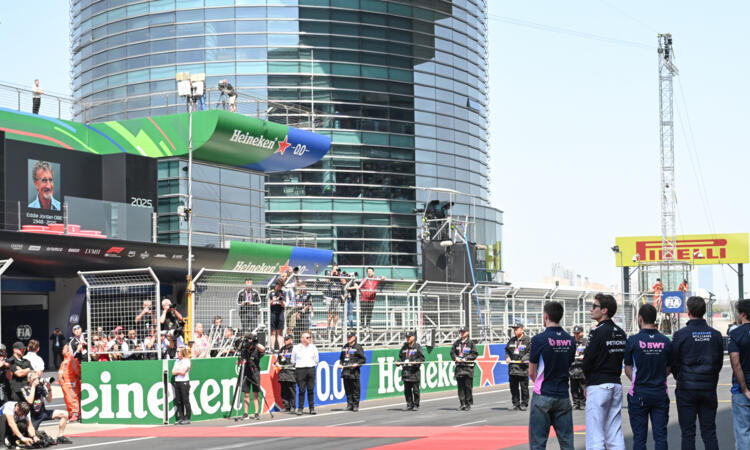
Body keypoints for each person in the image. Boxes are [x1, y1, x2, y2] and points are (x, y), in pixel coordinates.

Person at [670, 296, 724, 450]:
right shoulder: (715, 335)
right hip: (708, 388)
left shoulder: (681, 334)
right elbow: (719, 362)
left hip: (686, 388)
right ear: (704, 311)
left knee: (687, 433)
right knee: (709, 432)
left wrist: (680, 377)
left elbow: (674, 362)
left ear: (689, 311)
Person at [528, 301, 576, 450]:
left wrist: (539, 384)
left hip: (543, 394)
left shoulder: (538, 339)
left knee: (538, 443)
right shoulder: (571, 340)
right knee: (567, 442)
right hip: (563, 394)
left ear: (546, 316)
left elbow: (531, 371)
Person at [582, 293, 627, 450]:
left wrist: (585, 382)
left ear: (604, 310)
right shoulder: (621, 332)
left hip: (598, 385)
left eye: (594, 306)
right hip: (616, 384)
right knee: (614, 433)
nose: (591, 309)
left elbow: (587, 360)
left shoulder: (597, 331)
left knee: (595, 435)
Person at [624, 304, 672, 450]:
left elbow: (627, 368)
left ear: (640, 319)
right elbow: (669, 368)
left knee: (639, 437)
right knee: (660, 436)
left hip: (639, 392)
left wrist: (638, 380)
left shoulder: (632, 341)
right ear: (655, 319)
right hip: (660, 392)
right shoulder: (665, 341)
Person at [22, 372, 71, 444]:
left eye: (38, 378)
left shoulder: (40, 387)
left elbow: (49, 400)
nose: (37, 380)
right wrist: (33, 387)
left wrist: (49, 388)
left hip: (43, 413)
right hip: (33, 417)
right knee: (32, 436)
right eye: (34, 378)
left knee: (65, 414)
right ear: (29, 379)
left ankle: (60, 436)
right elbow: (30, 401)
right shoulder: (25, 388)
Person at [728, 299, 750, 450]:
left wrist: (744, 389)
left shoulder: (735, 333)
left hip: (742, 389)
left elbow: (736, 364)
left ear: (743, 314)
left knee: (743, 432)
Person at [239, 333, 266, 420]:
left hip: (255, 371)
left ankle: (256, 413)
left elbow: (263, 349)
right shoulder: (244, 349)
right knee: (246, 393)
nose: (249, 341)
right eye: (248, 339)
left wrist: (255, 342)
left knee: (255, 393)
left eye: (250, 339)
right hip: (246, 371)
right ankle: (246, 413)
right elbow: (239, 353)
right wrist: (244, 343)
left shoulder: (256, 349)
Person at [450, 326, 477, 411]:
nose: (462, 333)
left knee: (468, 387)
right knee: (460, 387)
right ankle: (462, 403)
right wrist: (455, 358)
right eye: (461, 332)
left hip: (468, 368)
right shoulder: (456, 343)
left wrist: (466, 358)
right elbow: (452, 352)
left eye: (463, 332)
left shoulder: (471, 343)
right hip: (459, 368)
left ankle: (468, 403)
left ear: (467, 332)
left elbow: (474, 354)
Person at [505, 322, 530, 411]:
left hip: (523, 368)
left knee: (524, 388)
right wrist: (507, 357)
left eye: (516, 329)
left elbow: (531, 352)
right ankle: (515, 403)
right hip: (512, 369)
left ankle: (524, 403)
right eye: (514, 329)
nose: (515, 331)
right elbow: (507, 351)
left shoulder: (528, 340)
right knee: (513, 387)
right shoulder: (511, 340)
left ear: (522, 329)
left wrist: (524, 358)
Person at [396, 331, 424, 411]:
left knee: (415, 390)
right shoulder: (404, 347)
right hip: (406, 372)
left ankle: (416, 404)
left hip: (414, 372)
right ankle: (409, 404)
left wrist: (416, 362)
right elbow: (401, 357)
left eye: (409, 337)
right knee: (407, 390)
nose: (408, 338)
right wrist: (398, 361)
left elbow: (422, 358)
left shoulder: (417, 347)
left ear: (413, 337)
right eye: (407, 337)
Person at [292, 332, 318, 415]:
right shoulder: (296, 347)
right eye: (307, 337)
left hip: (310, 369)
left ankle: (312, 408)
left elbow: (316, 359)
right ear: (302, 339)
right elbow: (293, 360)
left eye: (309, 337)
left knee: (310, 389)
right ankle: (300, 408)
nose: (309, 339)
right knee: (301, 390)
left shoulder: (313, 347)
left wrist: (311, 364)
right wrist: (299, 365)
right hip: (300, 370)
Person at [339, 332, 366, 412]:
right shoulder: (345, 347)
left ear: (354, 337)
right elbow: (341, 358)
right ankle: (349, 404)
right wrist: (341, 364)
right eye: (348, 337)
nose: (349, 338)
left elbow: (363, 359)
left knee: (355, 389)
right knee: (347, 389)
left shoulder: (358, 347)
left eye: (350, 337)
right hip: (346, 371)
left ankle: (355, 405)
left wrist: (357, 364)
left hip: (354, 372)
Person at [58, 345, 80, 422]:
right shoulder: (65, 360)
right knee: (68, 399)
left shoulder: (72, 360)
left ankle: (75, 414)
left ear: (68, 350)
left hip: (71, 384)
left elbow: (77, 371)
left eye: (63, 348)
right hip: (65, 385)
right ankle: (71, 413)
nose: (62, 350)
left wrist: (75, 381)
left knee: (73, 399)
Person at [274, 335, 296, 413]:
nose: (285, 341)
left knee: (291, 390)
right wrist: (276, 363)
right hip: (282, 373)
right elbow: (278, 360)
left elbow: (297, 360)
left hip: (291, 372)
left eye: (287, 339)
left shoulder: (294, 349)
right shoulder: (282, 349)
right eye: (285, 339)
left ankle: (293, 406)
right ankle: (286, 406)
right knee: (283, 390)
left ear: (291, 340)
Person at [172, 347, 192, 425]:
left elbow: (184, 372)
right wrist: (178, 372)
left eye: (178, 351)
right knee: (179, 401)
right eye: (177, 351)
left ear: (182, 352)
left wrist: (178, 372)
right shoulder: (176, 361)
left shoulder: (187, 361)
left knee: (185, 400)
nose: (177, 353)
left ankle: (187, 418)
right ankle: (181, 417)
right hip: (177, 382)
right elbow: (173, 372)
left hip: (184, 382)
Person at [569, 325, 587, 410]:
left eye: (578, 333)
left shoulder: (586, 342)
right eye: (575, 333)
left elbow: (589, 353)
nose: (576, 335)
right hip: (572, 369)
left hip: (582, 368)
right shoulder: (570, 341)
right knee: (573, 388)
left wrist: (585, 356)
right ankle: (575, 403)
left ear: (582, 333)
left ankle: (582, 402)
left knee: (582, 386)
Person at [268, 280, 287, 351]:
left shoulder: (283, 293)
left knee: (280, 332)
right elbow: (268, 304)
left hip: (280, 314)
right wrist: (273, 300)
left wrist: (281, 301)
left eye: (281, 286)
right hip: (272, 314)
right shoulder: (271, 292)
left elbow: (284, 305)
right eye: (278, 286)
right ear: (276, 285)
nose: (279, 288)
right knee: (272, 332)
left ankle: (281, 348)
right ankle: (272, 348)